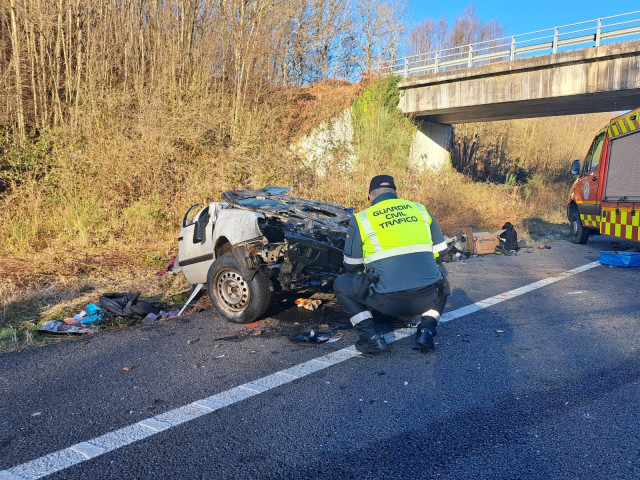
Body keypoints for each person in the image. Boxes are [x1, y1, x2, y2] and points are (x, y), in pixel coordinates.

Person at [334, 174, 450, 354]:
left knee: (341, 283)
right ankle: (427, 329)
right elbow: (441, 251)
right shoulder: (419, 209)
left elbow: (351, 265)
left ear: (370, 197)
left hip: (386, 301)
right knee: (442, 277)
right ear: (396, 194)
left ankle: (371, 339)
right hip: (427, 297)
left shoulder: (362, 218)